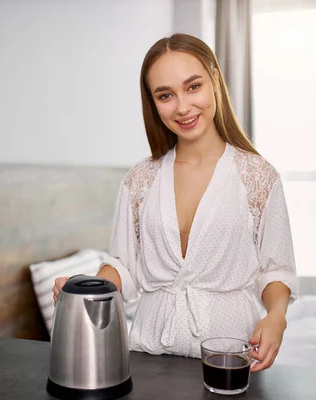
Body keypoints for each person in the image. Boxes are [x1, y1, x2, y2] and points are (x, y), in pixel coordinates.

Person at [53, 33, 298, 372]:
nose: (182, 107)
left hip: (227, 358)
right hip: (147, 355)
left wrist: (276, 317)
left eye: (193, 86)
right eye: (165, 95)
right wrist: (86, 286)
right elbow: (123, 265)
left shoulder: (258, 177)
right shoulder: (139, 180)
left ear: (214, 79)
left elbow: (275, 269)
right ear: (152, 103)